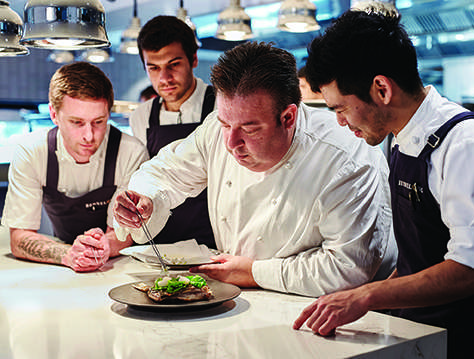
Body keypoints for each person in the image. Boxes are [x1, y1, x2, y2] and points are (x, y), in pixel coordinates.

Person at [293, 6, 474, 359]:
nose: (340, 123)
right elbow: (421, 260)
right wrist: (364, 303)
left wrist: (366, 296)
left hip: (467, 345)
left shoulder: (468, 145)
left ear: (381, 89)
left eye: (340, 108)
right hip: (420, 339)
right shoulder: (402, 140)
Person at [113, 41, 397, 297]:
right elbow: (163, 172)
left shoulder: (347, 159)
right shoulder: (216, 130)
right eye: (226, 124)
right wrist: (146, 199)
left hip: (330, 314)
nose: (231, 143)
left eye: (249, 129)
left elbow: (348, 269)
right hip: (238, 299)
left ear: (288, 117)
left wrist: (254, 272)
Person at [1, 62, 149, 272]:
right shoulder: (32, 151)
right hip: (58, 264)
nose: (89, 136)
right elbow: (19, 238)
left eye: (99, 121)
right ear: (54, 115)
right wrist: (68, 254)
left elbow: (122, 235)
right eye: (77, 122)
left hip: (114, 265)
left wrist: (102, 247)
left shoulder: (131, 152)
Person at [129, 15, 215, 248]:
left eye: (173, 65)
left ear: (194, 59)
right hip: (157, 246)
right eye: (154, 68)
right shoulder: (141, 116)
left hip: (213, 242)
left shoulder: (221, 106)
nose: (164, 78)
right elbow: (145, 176)